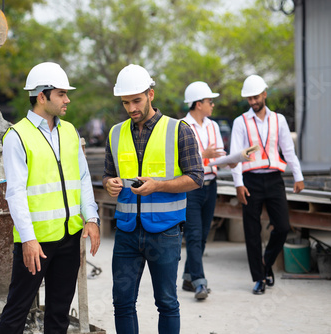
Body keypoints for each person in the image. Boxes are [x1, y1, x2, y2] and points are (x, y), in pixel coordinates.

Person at [0, 62, 101, 334]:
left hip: (69, 237)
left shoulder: (69, 131)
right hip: (37, 241)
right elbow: (16, 192)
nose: (67, 99)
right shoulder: (16, 136)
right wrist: (28, 238)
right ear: (41, 96)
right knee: (17, 310)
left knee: (59, 314)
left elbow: (82, 178)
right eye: (60, 94)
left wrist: (91, 218)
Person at [103, 64, 203, 333]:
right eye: (126, 102)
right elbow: (108, 176)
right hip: (126, 231)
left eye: (136, 100)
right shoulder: (115, 133)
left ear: (151, 94)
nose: (131, 108)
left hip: (165, 230)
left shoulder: (179, 130)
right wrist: (110, 185)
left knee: (167, 302)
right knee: (122, 303)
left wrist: (158, 185)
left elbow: (196, 177)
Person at [230, 74, 305, 295]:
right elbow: (236, 156)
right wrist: (238, 184)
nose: (253, 102)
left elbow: (288, 150)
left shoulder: (278, 120)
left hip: (274, 179)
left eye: (255, 97)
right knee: (251, 231)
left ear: (264, 94)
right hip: (250, 180)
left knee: (282, 227)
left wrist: (298, 176)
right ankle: (259, 278)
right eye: (249, 99)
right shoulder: (240, 122)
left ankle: (266, 262)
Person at [181, 81, 228, 300]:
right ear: (198, 104)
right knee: (194, 235)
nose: (213, 105)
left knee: (202, 237)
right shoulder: (181, 126)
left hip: (211, 185)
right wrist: (203, 153)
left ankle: (189, 277)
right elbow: (179, 159)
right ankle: (200, 283)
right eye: (210, 101)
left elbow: (218, 154)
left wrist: (232, 160)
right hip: (191, 188)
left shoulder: (213, 126)